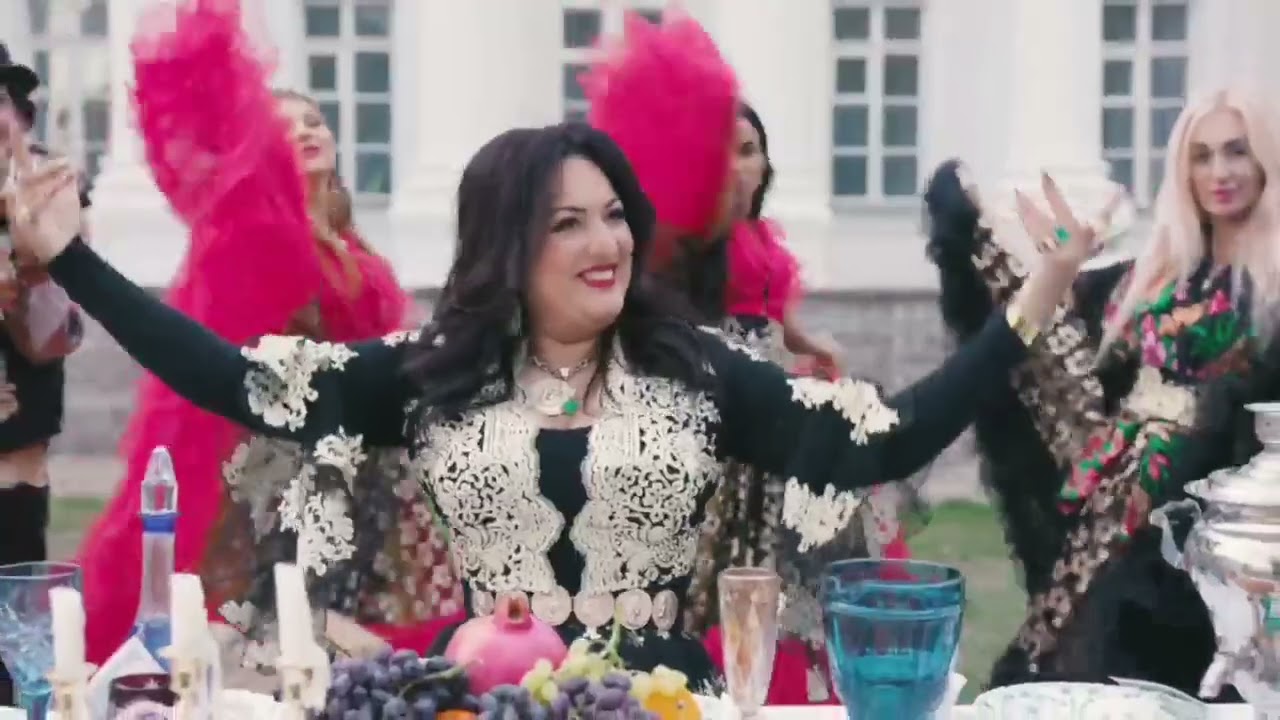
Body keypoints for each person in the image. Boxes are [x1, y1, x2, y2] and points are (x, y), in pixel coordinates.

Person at [12, 0, 1095, 689]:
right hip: (484, 694)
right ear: (508, 247)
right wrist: (75, 262)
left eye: (614, 215)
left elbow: (888, 438)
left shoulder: (699, 371)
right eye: (567, 222)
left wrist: (1039, 291)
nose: (606, 242)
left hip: (665, 702)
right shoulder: (434, 373)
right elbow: (235, 379)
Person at [71, 1, 461, 671]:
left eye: (314, 120)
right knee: (280, 636)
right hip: (286, 464)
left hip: (369, 466)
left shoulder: (354, 247)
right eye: (286, 125)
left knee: (368, 638)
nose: (307, 130)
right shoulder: (258, 241)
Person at [582, 18, 915, 702]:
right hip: (723, 415)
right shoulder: (688, 249)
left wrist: (811, 349)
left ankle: (799, 679)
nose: (739, 166)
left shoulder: (762, 240)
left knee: (803, 567)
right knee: (727, 566)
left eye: (750, 151)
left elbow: (777, 319)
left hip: (771, 408)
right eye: (725, 151)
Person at [922, 87, 1280, 699]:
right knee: (1074, 675)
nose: (1220, 172)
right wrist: (1045, 263)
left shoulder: (1271, 291)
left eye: (1236, 151)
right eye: (1202, 156)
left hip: (1213, 551)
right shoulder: (1153, 279)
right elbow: (1060, 350)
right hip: (1111, 531)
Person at [0, 41, 88, 707]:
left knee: (19, 650)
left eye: (6, 101)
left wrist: (33, 253)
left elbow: (56, 337)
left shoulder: (48, 191)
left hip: (17, 458)